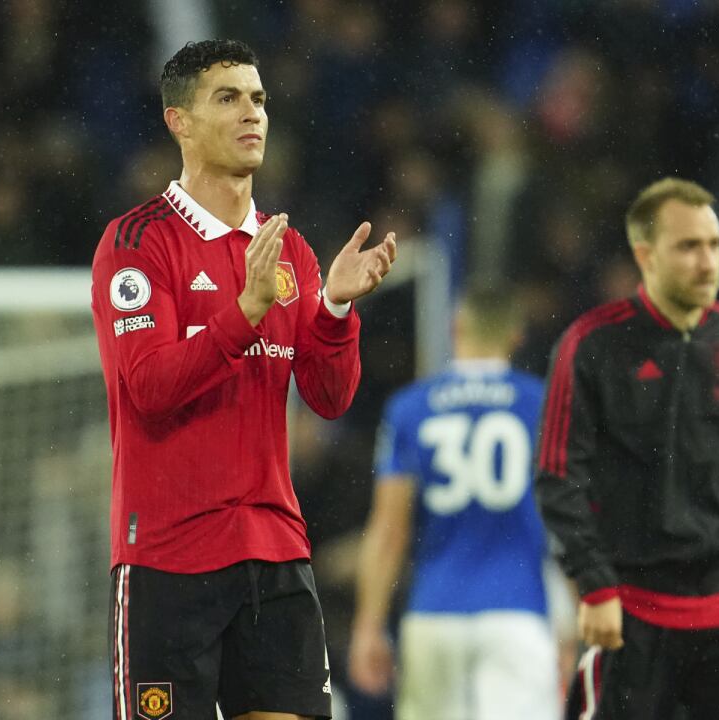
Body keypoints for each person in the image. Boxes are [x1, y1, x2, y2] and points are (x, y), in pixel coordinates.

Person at [91, 40, 397, 720]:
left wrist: (336, 309)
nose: (251, 112)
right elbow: (149, 387)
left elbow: (329, 395)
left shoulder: (290, 250)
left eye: (258, 98)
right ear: (181, 122)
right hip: (169, 559)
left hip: (276, 550)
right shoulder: (137, 242)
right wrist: (245, 312)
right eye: (227, 98)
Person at [535, 177, 719, 719]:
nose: (708, 261)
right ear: (645, 255)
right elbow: (559, 477)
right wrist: (592, 584)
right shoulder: (591, 345)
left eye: (715, 245)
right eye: (689, 246)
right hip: (629, 614)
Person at [348, 284, 560, 720]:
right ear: (516, 335)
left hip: (434, 611)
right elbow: (568, 520)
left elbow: (389, 530)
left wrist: (369, 624)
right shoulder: (541, 405)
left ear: (455, 328)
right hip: (517, 611)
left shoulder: (410, 408)